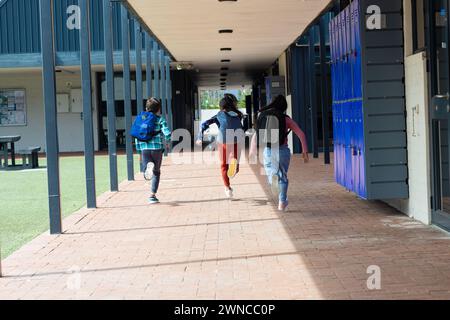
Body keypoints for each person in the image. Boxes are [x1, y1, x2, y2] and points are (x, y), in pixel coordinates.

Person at [250, 95, 309, 212]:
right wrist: (305, 151)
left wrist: (252, 151)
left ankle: (276, 185)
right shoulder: (285, 118)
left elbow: (256, 135)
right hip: (282, 151)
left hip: (268, 151)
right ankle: (282, 201)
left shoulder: (264, 117)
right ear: (284, 107)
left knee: (271, 174)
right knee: (282, 176)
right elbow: (301, 134)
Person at [196, 94, 244, 198]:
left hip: (223, 141)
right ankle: (233, 163)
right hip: (237, 141)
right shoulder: (238, 114)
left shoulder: (219, 114)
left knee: (223, 166)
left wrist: (200, 137)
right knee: (235, 165)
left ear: (221, 107)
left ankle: (227, 188)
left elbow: (205, 124)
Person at [135, 97, 172, 204]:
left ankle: (147, 167)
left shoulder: (140, 119)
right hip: (157, 149)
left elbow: (137, 135)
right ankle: (152, 195)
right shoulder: (160, 119)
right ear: (158, 109)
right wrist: (168, 142)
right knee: (156, 172)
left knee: (148, 169)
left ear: (146, 108)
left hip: (144, 148)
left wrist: (139, 151)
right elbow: (167, 133)